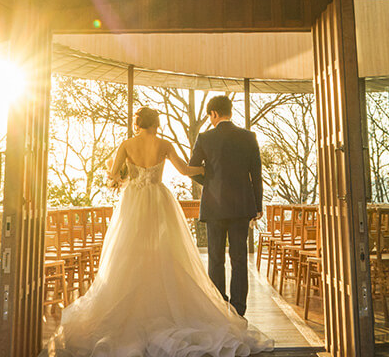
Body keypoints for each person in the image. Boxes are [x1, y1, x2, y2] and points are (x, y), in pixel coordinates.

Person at [46, 106, 272, 357]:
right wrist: (209, 170)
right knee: (168, 253)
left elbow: (112, 178)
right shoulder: (164, 144)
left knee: (127, 254)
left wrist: (119, 178)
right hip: (159, 199)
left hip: (132, 202)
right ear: (156, 123)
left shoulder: (126, 144)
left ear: (138, 124)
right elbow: (186, 170)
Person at [188, 95, 263, 318]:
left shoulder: (204, 138)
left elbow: (193, 169)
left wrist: (210, 182)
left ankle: (220, 306)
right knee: (239, 259)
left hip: (214, 206)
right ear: (230, 111)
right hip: (242, 206)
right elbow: (256, 175)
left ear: (213, 114)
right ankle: (239, 309)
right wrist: (257, 205)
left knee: (215, 258)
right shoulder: (249, 137)